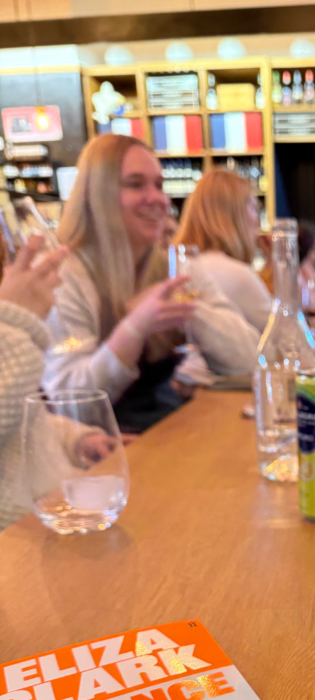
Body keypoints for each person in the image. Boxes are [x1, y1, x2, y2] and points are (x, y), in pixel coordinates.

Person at [45, 135, 261, 433]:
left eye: (159, 185)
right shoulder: (66, 276)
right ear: (96, 194)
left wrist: (184, 308)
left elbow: (250, 360)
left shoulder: (174, 266)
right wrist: (135, 327)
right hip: (101, 450)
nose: (157, 199)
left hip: (163, 434)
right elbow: (72, 405)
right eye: (136, 184)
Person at [0, 236, 72, 530]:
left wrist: (74, 438)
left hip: (46, 512)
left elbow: (21, 423)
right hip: (16, 543)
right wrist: (12, 322)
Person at [174, 169, 273, 332]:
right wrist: (281, 263)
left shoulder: (177, 267)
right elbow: (294, 342)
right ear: (234, 215)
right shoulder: (238, 275)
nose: (258, 221)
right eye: (254, 209)